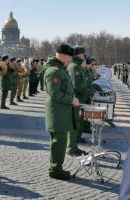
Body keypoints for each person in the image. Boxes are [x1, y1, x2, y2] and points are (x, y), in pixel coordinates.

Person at [44, 43, 79, 180]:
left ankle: (58, 167)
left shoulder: (59, 69)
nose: (71, 60)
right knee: (58, 142)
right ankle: (55, 170)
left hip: (61, 111)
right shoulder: (54, 71)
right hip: (57, 112)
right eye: (70, 57)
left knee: (61, 142)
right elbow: (55, 93)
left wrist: (72, 98)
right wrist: (71, 100)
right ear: (64, 56)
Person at [67, 46, 97, 156]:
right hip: (76, 99)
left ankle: (74, 146)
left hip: (80, 99)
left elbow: (84, 84)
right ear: (79, 55)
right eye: (83, 54)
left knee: (77, 122)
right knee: (74, 124)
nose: (84, 56)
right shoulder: (74, 66)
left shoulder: (77, 66)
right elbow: (77, 84)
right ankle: (71, 148)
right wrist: (91, 93)